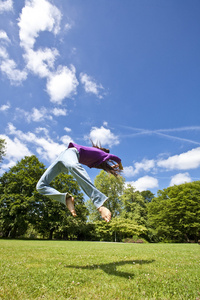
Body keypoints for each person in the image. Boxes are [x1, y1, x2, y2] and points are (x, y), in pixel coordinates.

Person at [36, 141, 123, 222]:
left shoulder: (95, 161)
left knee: (73, 165)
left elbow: (101, 164)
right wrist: (120, 166)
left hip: (66, 158)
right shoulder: (102, 153)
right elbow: (117, 158)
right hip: (68, 154)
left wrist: (111, 168)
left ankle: (72, 200)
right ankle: (67, 198)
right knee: (40, 186)